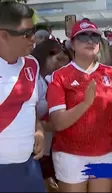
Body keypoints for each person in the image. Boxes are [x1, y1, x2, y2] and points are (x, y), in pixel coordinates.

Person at [46, 19, 112, 192]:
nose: (90, 41)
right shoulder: (59, 76)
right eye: (83, 36)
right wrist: (86, 103)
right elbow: (58, 122)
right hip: (69, 154)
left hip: (105, 152)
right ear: (72, 43)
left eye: (94, 37)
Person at [0, 1, 46, 191]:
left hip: (29, 167)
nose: (33, 38)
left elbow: (30, 106)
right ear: (4, 35)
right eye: (26, 33)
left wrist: (39, 130)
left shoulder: (32, 64)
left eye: (33, 31)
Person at [31, 39, 70, 192]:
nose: (60, 64)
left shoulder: (46, 79)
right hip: (36, 140)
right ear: (44, 56)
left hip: (46, 141)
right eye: (57, 59)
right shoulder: (34, 79)